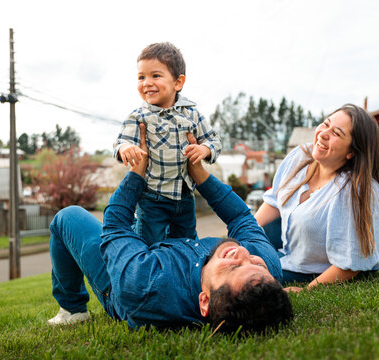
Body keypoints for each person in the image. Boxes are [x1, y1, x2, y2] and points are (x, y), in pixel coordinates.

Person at [48, 126, 292, 333]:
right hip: (180, 249)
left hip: (126, 276)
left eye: (234, 267)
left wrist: (138, 173)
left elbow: (116, 226)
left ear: (204, 301)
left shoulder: (144, 286)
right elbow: (241, 217)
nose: (242, 254)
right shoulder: (265, 271)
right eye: (255, 263)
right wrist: (198, 174)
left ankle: (72, 308)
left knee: (68, 217)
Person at [255, 104, 379, 291]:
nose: (323, 134)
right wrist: (246, 233)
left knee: (248, 278)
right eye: (326, 124)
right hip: (288, 249)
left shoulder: (357, 190)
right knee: (237, 250)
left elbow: (351, 263)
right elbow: (275, 201)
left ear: (351, 152)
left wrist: (307, 290)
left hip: (317, 269)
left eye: (337, 133)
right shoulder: (300, 156)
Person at [113, 42, 222, 245]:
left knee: (187, 243)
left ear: (178, 83)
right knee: (150, 243)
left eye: (155, 75)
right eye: (141, 77)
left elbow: (214, 140)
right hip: (152, 197)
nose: (146, 83)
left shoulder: (192, 113)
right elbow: (121, 141)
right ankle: (148, 272)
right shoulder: (138, 116)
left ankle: (184, 272)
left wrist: (204, 149)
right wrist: (126, 148)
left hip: (184, 197)